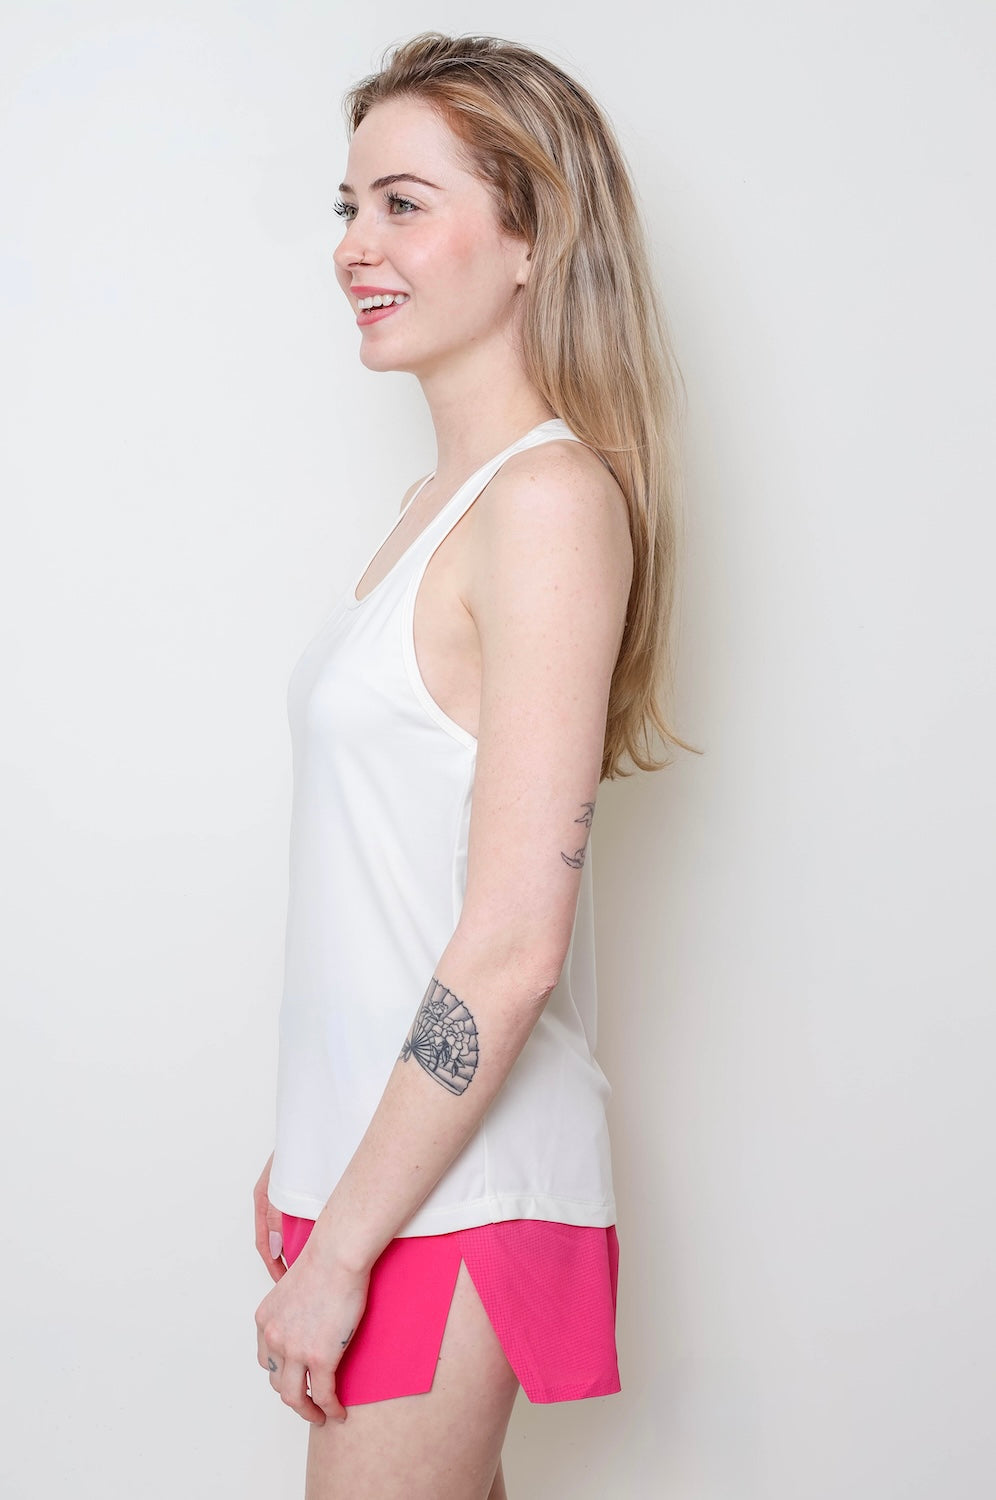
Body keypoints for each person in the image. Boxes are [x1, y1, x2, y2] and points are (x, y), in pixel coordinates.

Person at [252, 31, 693, 1500]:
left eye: (404, 202)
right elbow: (380, 878)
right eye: (349, 205)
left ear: (530, 239)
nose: (355, 246)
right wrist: (309, 1157)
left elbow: (510, 944)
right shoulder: (438, 506)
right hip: (385, 1171)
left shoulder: (548, 502)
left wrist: (347, 1240)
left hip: (458, 1193)